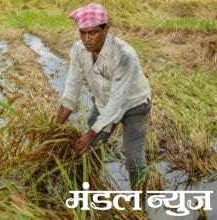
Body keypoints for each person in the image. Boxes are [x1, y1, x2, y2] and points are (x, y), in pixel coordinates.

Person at [58, 3, 152, 191]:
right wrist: (56, 126)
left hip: (135, 105)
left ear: (106, 29)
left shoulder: (124, 55)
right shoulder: (78, 50)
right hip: (103, 103)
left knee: (133, 159)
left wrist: (92, 133)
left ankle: (140, 201)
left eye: (92, 32)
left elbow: (117, 102)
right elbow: (72, 87)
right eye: (82, 33)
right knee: (89, 150)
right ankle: (89, 188)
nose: (87, 39)